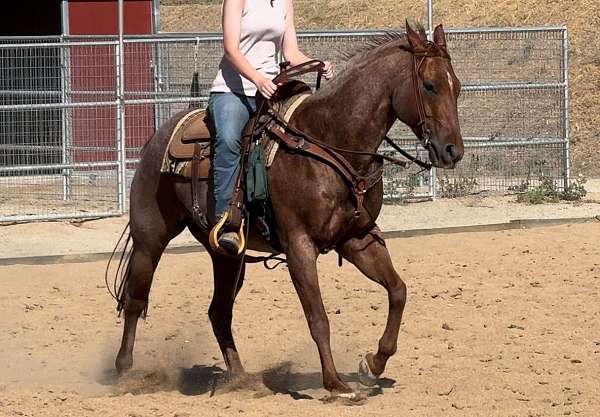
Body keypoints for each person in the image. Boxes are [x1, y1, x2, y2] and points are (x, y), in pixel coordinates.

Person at [208, 0, 334, 253]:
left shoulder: (284, 2)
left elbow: (291, 54)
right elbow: (231, 49)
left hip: (271, 91)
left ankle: (288, 213)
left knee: (298, 138)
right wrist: (258, 79)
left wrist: (318, 64)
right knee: (230, 140)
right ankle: (226, 221)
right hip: (233, 91)